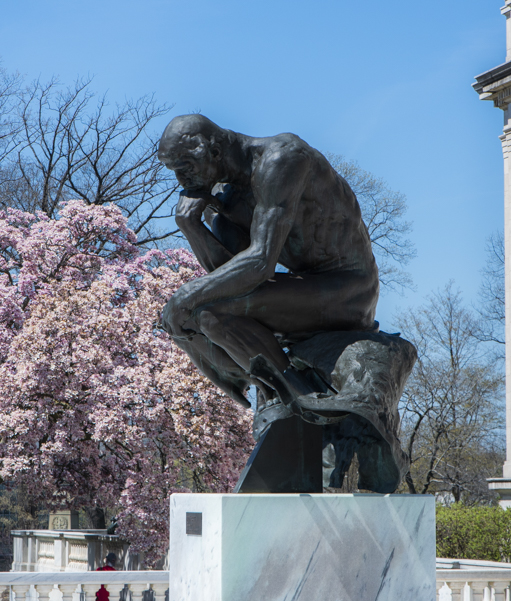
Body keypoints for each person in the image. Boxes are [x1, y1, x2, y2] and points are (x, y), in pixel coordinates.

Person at [156, 114, 380, 409]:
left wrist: (184, 297)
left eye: (185, 168)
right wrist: (190, 225)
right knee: (189, 316)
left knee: (206, 312)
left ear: (214, 152)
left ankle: (302, 397)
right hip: (307, 288)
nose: (180, 180)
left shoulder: (282, 158)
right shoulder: (229, 200)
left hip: (349, 288)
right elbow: (229, 278)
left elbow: (260, 263)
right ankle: (270, 388)